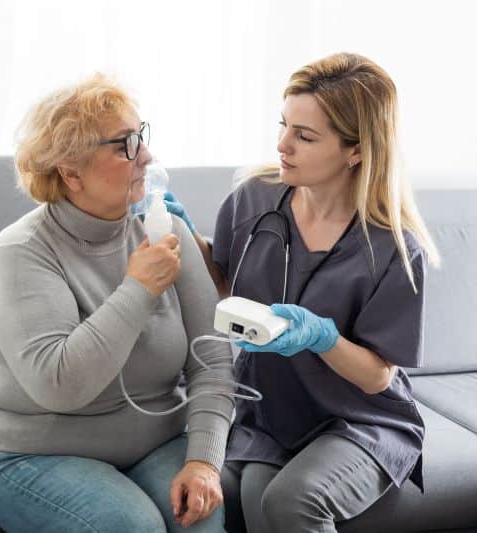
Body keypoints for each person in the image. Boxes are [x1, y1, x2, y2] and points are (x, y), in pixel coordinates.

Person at [167, 52, 440, 532]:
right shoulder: (253, 199)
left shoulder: (393, 247)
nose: (282, 145)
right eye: (283, 125)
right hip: (272, 411)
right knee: (250, 499)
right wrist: (190, 241)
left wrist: (321, 337)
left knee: (292, 502)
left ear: (356, 150)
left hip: (360, 420)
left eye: (304, 136)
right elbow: (228, 284)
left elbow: (378, 377)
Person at [0, 74, 235, 533]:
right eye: (124, 145)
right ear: (71, 172)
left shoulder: (165, 229)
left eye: (141, 136)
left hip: (153, 444)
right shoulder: (22, 252)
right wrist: (139, 289)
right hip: (32, 453)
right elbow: (60, 385)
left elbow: (213, 360)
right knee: (131, 526)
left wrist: (204, 461)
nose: (146, 156)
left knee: (200, 524)